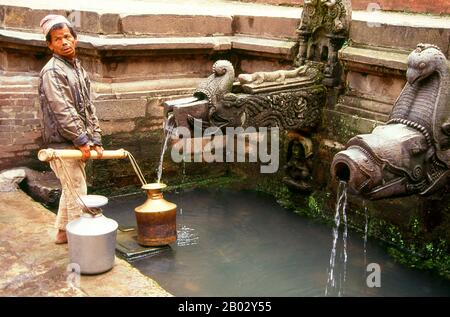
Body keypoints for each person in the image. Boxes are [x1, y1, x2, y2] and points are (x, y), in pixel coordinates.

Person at [38, 15, 104, 244]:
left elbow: (89, 107)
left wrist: (95, 138)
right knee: (78, 189)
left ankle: (63, 233)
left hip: (75, 142)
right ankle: (81, 243)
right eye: (57, 39)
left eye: (67, 36)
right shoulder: (52, 71)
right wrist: (81, 139)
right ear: (50, 45)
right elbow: (62, 109)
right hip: (62, 143)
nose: (64, 42)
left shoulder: (78, 70)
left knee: (71, 187)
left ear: (75, 39)